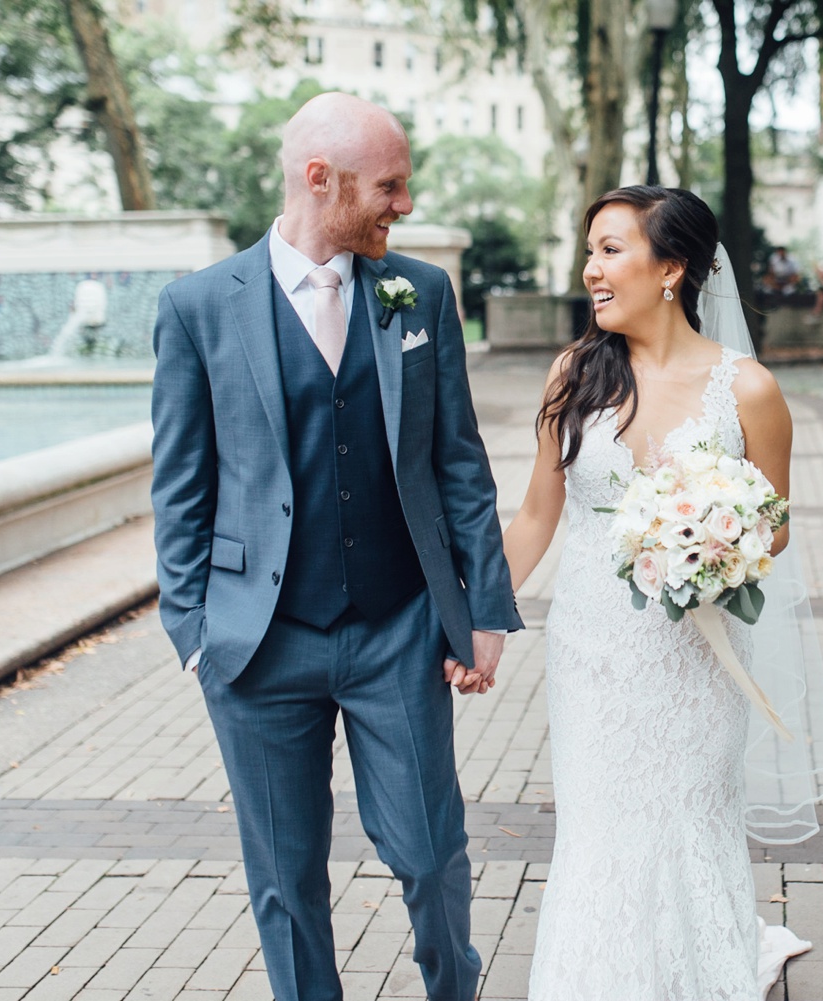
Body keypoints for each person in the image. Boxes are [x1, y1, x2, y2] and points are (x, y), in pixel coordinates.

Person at [149, 92, 521, 1001]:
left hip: (397, 628)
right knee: (286, 877)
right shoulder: (198, 306)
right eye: (390, 186)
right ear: (322, 179)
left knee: (432, 854)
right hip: (257, 642)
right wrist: (195, 628)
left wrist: (482, 611)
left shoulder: (419, 293)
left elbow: (459, 461)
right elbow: (180, 485)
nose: (403, 204)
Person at [503, 185, 823, 999]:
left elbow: (778, 523)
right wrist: (468, 616)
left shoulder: (748, 389)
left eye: (611, 249)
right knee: (600, 830)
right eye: (590, 250)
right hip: (592, 653)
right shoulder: (572, 376)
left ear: (672, 268)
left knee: (688, 818)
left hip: (698, 658)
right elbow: (534, 517)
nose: (591, 269)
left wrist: (711, 539)